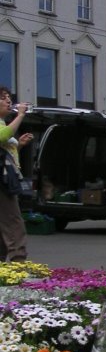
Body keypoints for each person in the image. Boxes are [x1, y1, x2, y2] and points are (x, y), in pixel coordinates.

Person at [0, 89, 33, 262]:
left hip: (5, 177)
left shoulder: (3, 123)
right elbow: (2, 137)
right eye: (3, 98)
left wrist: (19, 146)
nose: (8, 101)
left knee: (5, 222)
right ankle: (17, 263)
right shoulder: (4, 126)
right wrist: (20, 116)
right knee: (13, 222)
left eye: (9, 98)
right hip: (2, 181)